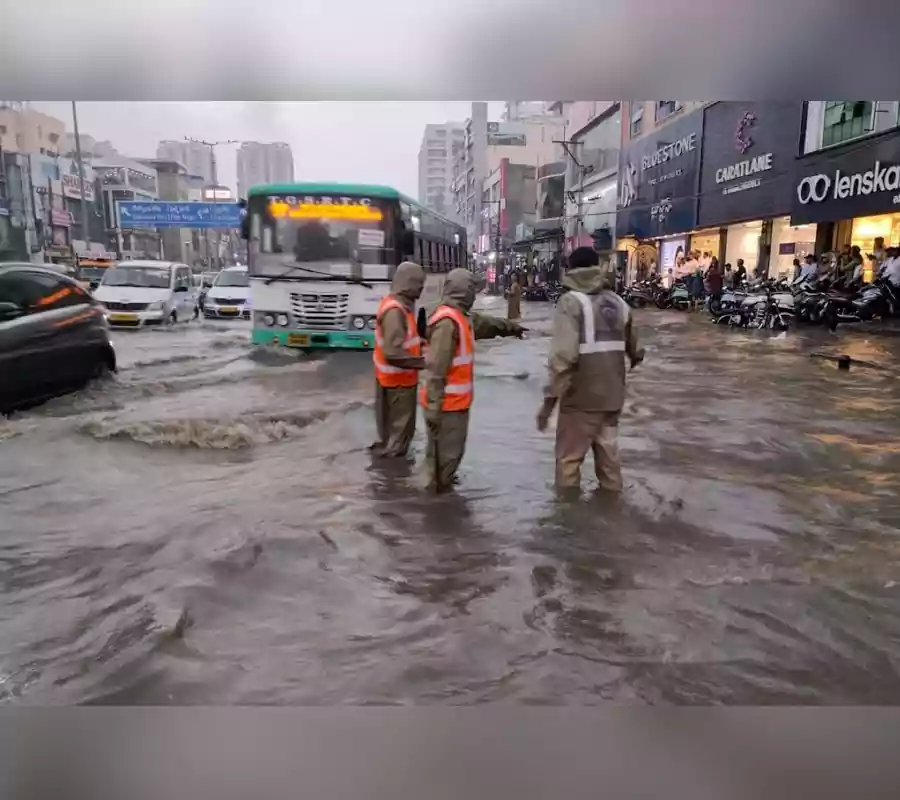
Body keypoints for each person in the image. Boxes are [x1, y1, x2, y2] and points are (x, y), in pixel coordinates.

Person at [536, 247, 644, 494]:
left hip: (581, 401)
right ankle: (612, 509)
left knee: (569, 461)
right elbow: (637, 350)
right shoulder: (618, 303)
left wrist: (548, 404)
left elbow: (563, 358)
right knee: (609, 462)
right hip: (612, 399)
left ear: (570, 270)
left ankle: (567, 514)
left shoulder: (570, 302)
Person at [420, 268, 526, 492]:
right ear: (464, 291)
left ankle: (435, 495)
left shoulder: (460, 317)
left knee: (445, 459)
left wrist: (512, 328)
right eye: (472, 290)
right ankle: (434, 501)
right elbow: (436, 370)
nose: (474, 295)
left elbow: (487, 325)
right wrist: (433, 410)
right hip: (446, 407)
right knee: (444, 460)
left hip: (454, 406)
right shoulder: (447, 322)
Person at [370, 261, 427, 459]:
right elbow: (393, 353)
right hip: (399, 383)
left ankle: (385, 464)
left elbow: (403, 341)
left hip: (391, 381)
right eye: (419, 283)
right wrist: (424, 362)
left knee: (391, 435)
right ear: (408, 282)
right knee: (399, 440)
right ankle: (392, 473)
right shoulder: (396, 311)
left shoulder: (396, 306)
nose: (421, 288)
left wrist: (421, 343)